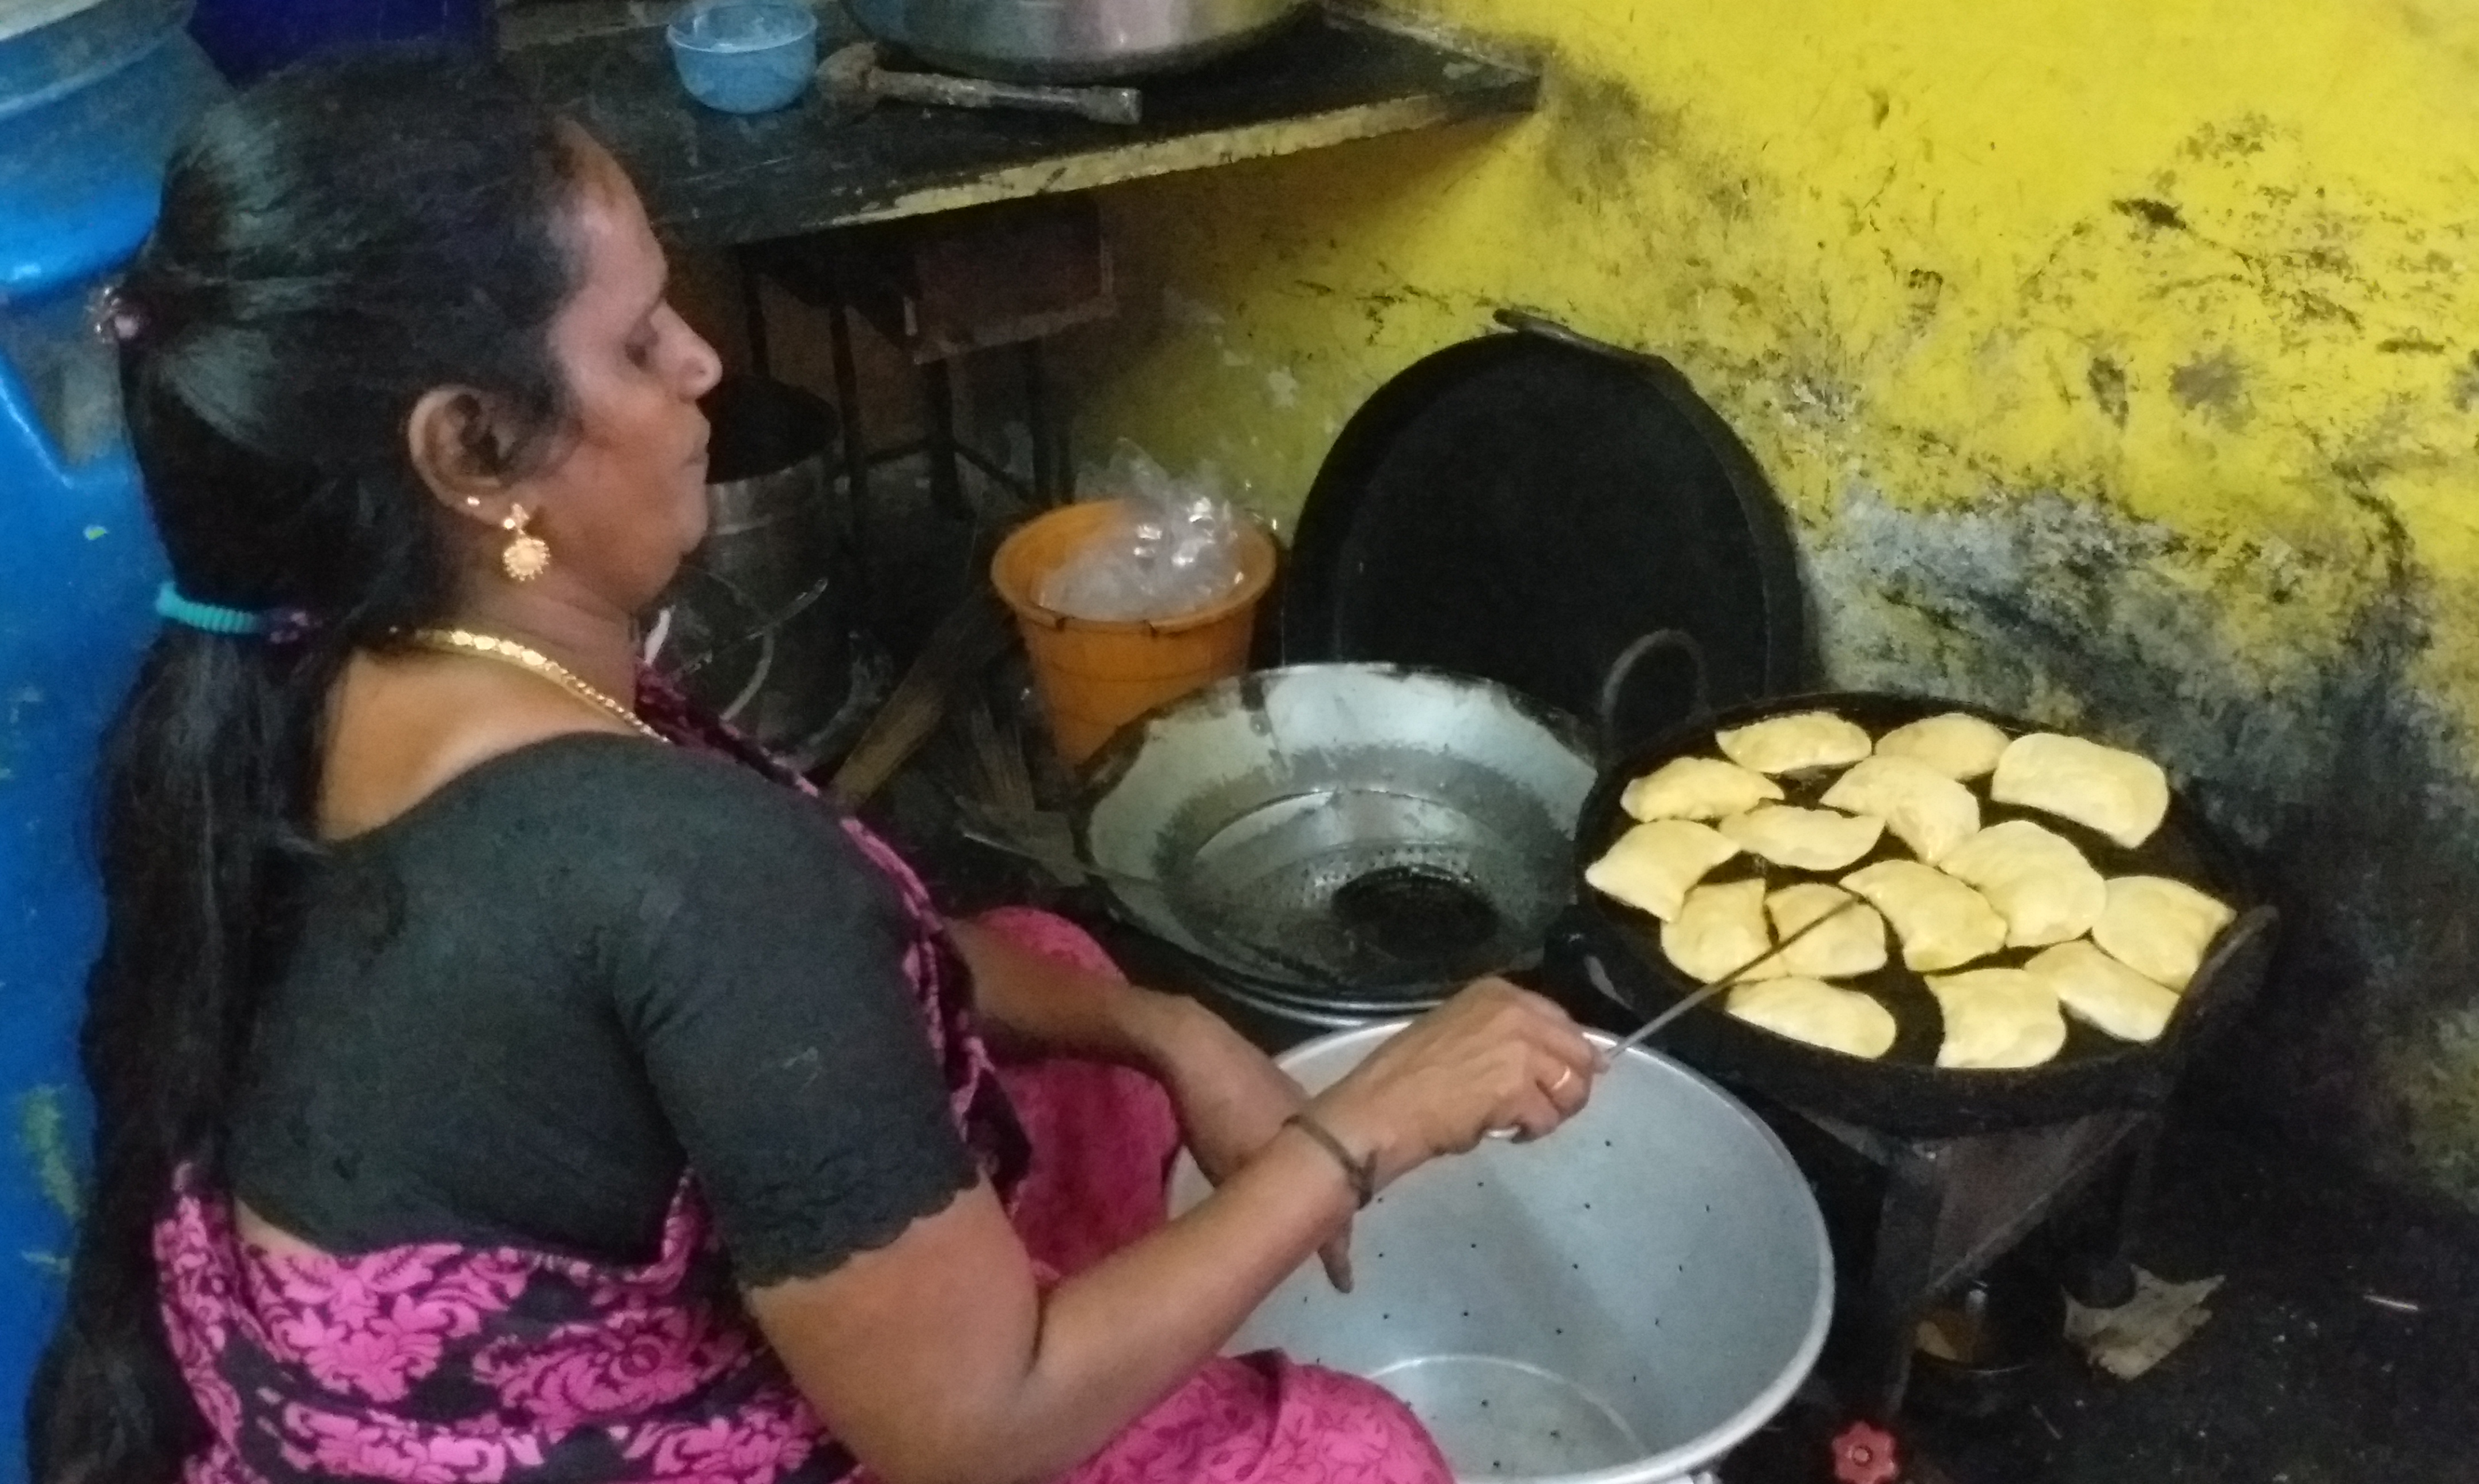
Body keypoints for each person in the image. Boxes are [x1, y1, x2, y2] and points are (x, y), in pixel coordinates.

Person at [28, 49, 1603, 1484]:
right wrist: (1370, 1126)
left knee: (1054, 977)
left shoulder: (328, 670)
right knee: (1354, 1454)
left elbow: (868, 970)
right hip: (685, 1440)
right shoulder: (677, 872)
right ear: (470, 452)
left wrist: (1159, 1019)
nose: (706, 365)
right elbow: (968, 1435)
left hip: (465, 1373)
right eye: (640, 339)